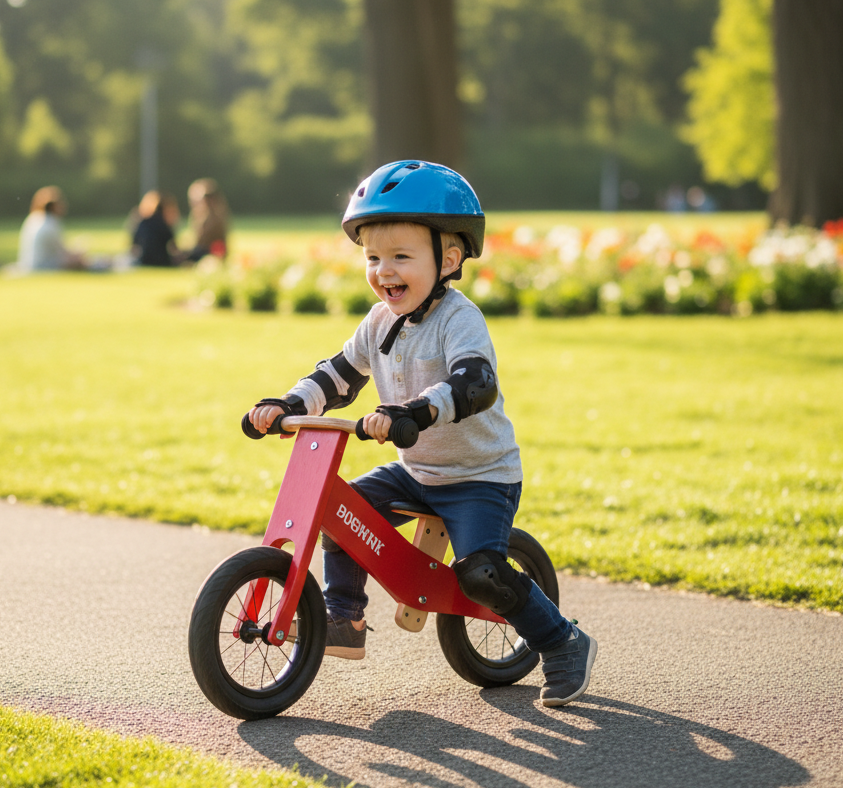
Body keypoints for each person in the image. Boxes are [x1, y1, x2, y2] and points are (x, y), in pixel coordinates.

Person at [246, 160, 598, 708]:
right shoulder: (379, 321)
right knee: (342, 514)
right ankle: (344, 619)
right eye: (372, 257)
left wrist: (414, 412)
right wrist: (288, 403)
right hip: (417, 473)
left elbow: (474, 383)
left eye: (401, 256)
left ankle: (561, 640)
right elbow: (338, 375)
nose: (384, 271)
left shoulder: (460, 320)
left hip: (479, 476)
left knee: (481, 573)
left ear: (449, 258)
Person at [17, 186, 86, 272]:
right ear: (54, 206)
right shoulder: (51, 223)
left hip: (28, 264)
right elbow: (62, 252)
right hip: (41, 266)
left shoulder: (33, 218)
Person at [132, 191, 180, 267]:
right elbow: (173, 247)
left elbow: (134, 245)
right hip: (162, 261)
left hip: (143, 260)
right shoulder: (163, 224)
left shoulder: (142, 222)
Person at [185, 178, 229, 261]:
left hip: (210, 252)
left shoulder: (216, 216)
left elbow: (204, 240)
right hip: (203, 251)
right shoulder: (199, 215)